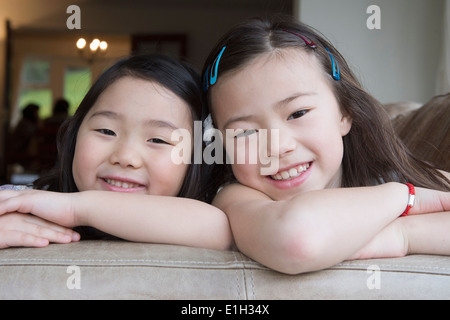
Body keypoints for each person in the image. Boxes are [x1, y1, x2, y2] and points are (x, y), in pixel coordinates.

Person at [201, 16, 450, 274]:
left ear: (344, 113)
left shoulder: (390, 179)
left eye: (297, 113)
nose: (277, 147)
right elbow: (296, 240)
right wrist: (404, 200)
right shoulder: (233, 199)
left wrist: (402, 231)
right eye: (245, 132)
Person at [0, 54, 232, 250]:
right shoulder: (24, 203)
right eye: (106, 131)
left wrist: (75, 208)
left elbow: (217, 228)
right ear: (74, 135)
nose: (125, 157)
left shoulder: (210, 214)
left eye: (158, 139)